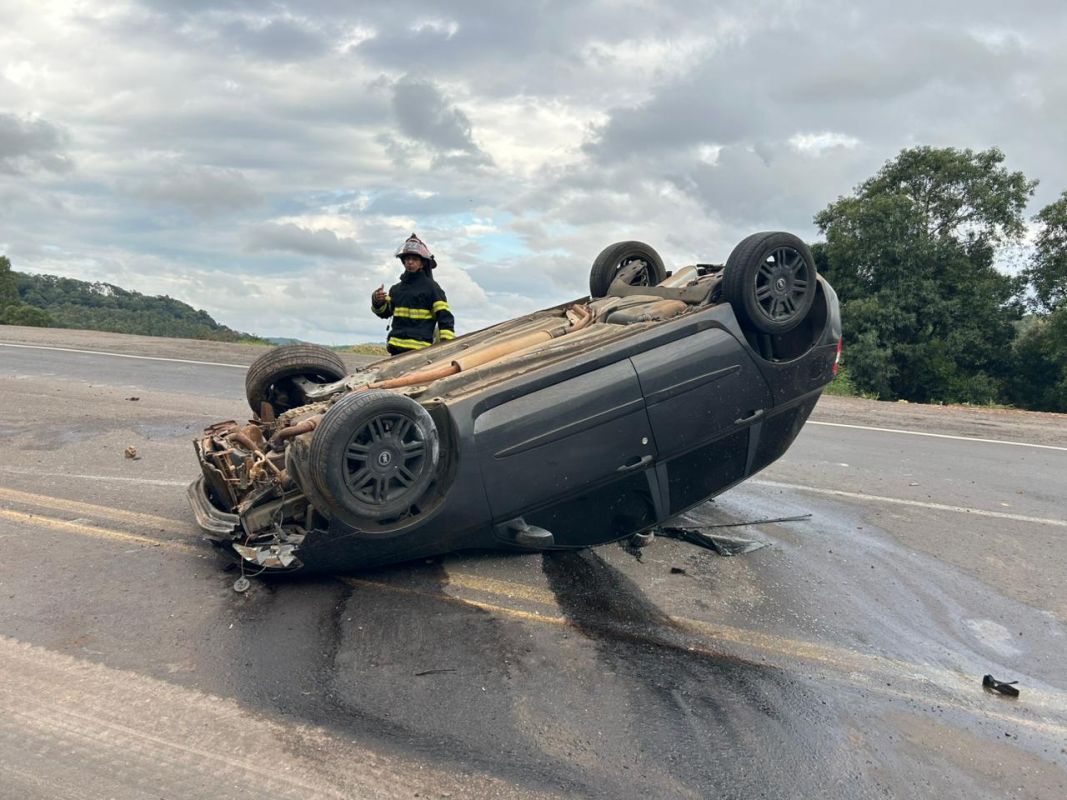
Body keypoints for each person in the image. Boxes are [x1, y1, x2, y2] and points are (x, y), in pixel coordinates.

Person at [371, 233, 455, 355]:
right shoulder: (396, 289)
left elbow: (445, 317)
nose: (410, 262)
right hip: (395, 350)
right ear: (403, 262)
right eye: (407, 259)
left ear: (422, 263)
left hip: (419, 352)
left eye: (414, 259)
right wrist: (377, 301)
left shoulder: (432, 288)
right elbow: (385, 313)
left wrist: (446, 346)